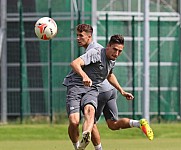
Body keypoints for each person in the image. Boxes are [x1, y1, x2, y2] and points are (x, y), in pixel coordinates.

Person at [76, 24, 154, 149]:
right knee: (113, 124)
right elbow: (109, 74)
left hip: (100, 91)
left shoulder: (95, 50)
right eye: (77, 36)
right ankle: (138, 123)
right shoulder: (109, 56)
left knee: (91, 122)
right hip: (110, 91)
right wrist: (122, 91)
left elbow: (76, 64)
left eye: (81, 36)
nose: (78, 39)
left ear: (89, 37)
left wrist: (84, 77)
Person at [63, 33, 135, 150]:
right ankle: (77, 147)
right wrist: (84, 76)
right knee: (74, 121)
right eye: (115, 49)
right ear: (108, 46)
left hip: (91, 88)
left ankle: (86, 134)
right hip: (76, 86)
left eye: (120, 51)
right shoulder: (96, 53)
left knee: (90, 110)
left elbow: (109, 75)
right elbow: (75, 63)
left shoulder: (112, 60)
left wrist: (122, 91)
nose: (116, 54)